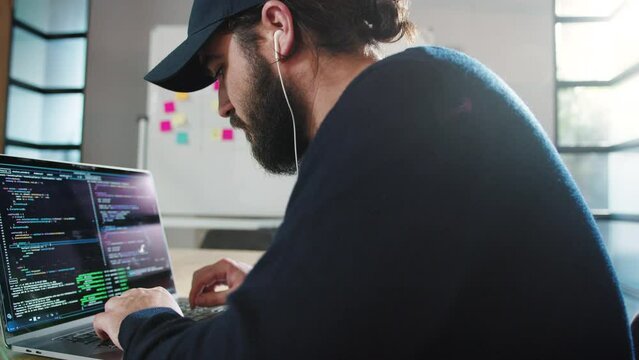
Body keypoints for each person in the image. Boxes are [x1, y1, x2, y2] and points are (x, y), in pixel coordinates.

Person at [93, 0, 635, 358]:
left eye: (219, 71)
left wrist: (148, 320)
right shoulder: (420, 92)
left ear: (277, 28)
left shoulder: (392, 118)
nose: (224, 104)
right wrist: (279, 291)